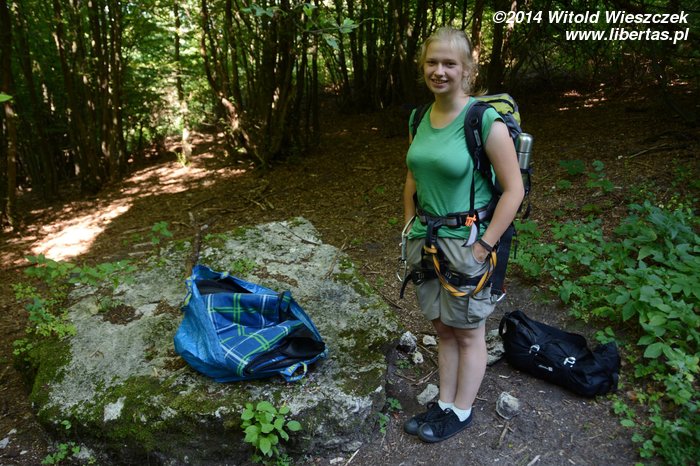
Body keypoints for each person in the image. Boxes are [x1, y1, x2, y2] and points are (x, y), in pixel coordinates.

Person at [401, 26, 524, 443]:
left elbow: (514, 190)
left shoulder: (483, 120)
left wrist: (484, 247)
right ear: (423, 67)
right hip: (426, 240)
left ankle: (461, 410)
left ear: (468, 69)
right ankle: (444, 403)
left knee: (468, 332)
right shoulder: (418, 117)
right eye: (432, 62)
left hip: (468, 242)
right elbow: (413, 176)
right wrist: (408, 224)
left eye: (449, 64)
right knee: (443, 328)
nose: (439, 71)